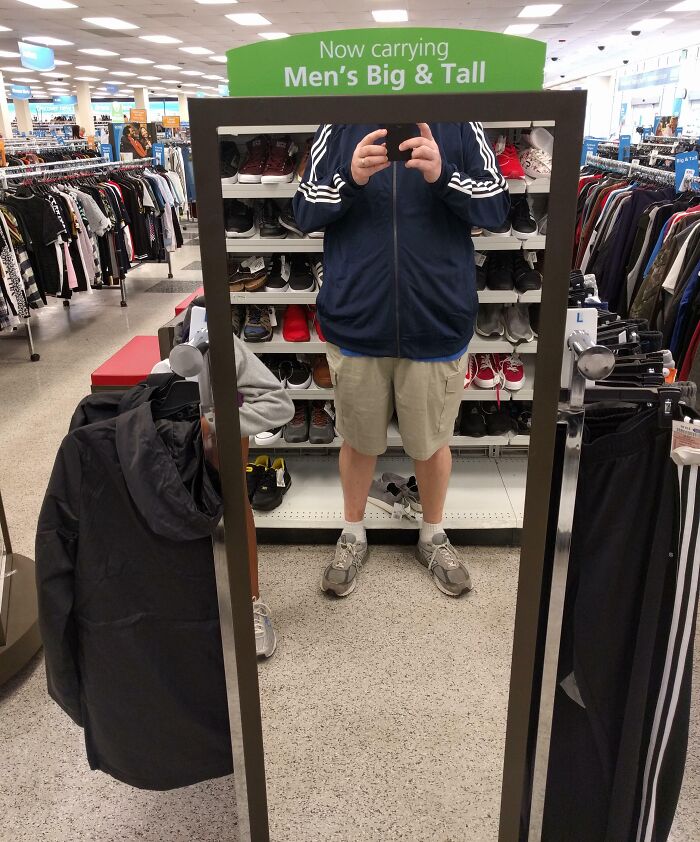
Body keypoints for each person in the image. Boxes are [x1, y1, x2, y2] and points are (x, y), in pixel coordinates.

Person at [293, 122, 509, 598]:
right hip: (358, 316)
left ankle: (433, 534)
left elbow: (496, 207)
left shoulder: (459, 121)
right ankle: (353, 533)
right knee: (357, 438)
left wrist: (444, 175)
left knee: (430, 442)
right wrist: (348, 179)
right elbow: (304, 210)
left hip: (435, 315)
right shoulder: (339, 124)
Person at [152, 299, 294, 657]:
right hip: (180, 445)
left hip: (222, 435)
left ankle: (250, 602)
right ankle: (197, 608)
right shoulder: (169, 355)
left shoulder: (223, 345)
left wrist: (213, 425)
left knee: (234, 506)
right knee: (182, 515)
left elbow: (281, 404)